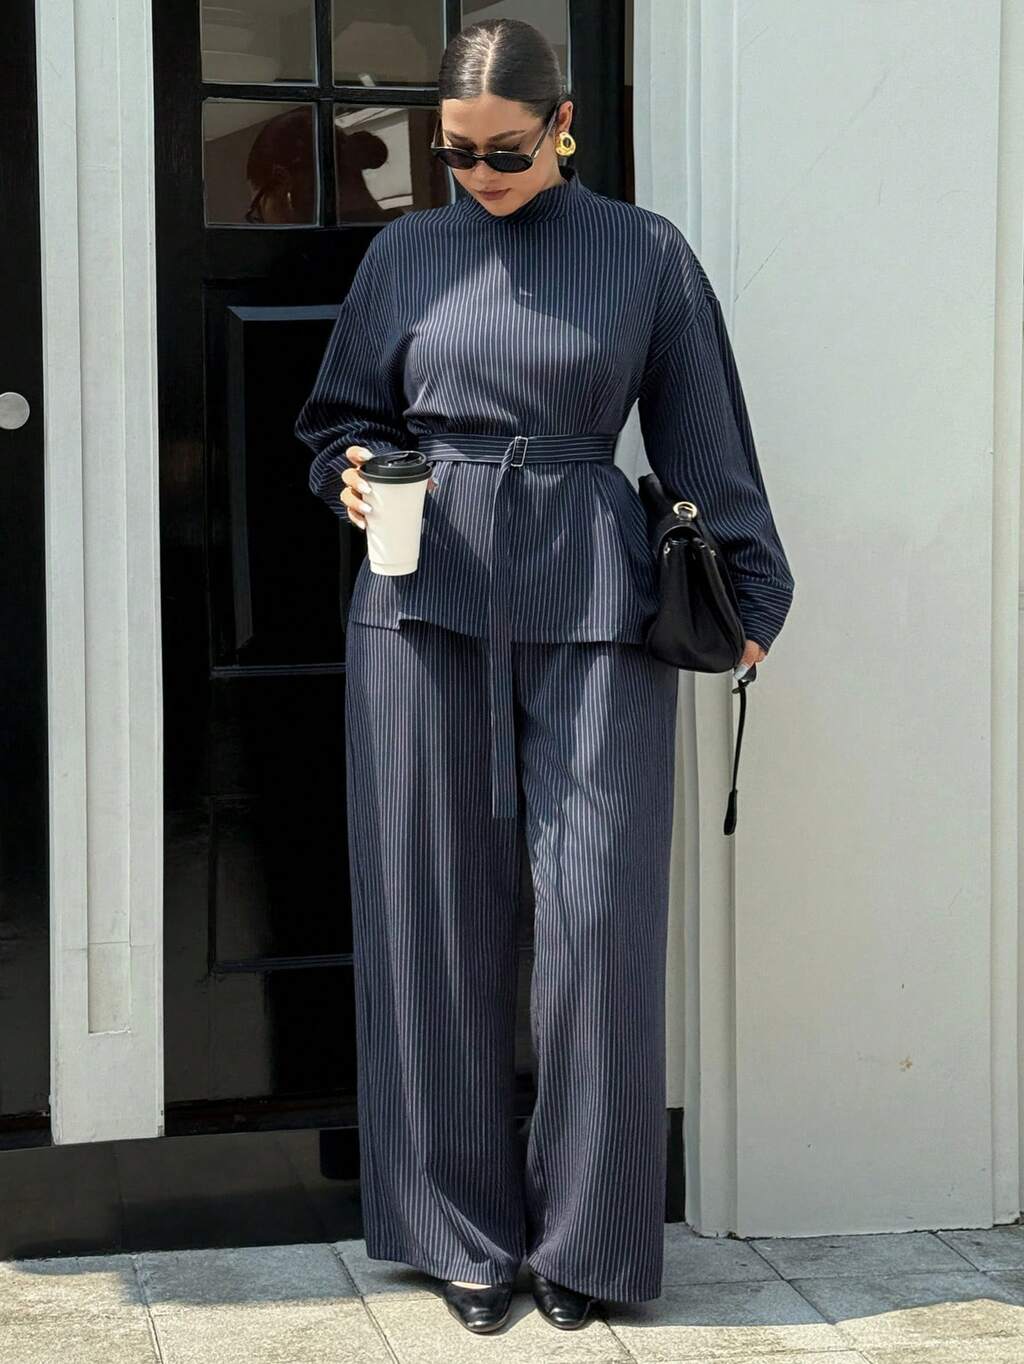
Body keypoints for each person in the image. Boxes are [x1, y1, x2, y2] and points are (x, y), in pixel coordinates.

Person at [294, 17, 794, 1337]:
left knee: (598, 930)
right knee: (429, 918)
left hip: (595, 605)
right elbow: (339, 420)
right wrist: (350, 476)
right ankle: (456, 1236)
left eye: (504, 153)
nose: (478, 176)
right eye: (454, 154)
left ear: (563, 127)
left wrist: (751, 594)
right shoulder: (405, 253)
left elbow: (704, 437)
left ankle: (589, 1240)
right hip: (419, 602)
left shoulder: (644, 255)